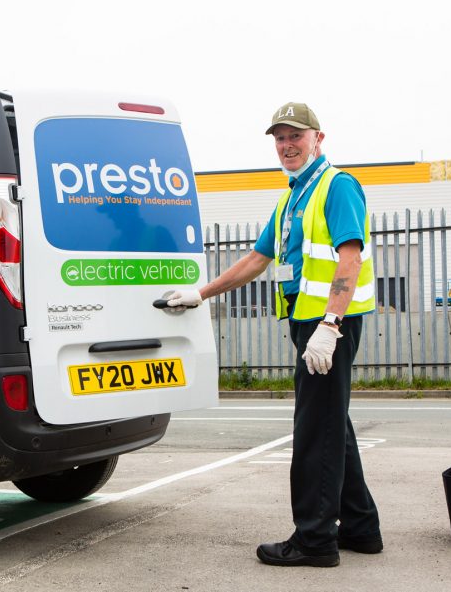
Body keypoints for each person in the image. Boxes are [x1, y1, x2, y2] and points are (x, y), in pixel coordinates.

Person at [167, 102, 381, 567]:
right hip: (308, 322)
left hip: (329, 325)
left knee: (314, 434)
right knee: (332, 425)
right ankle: (361, 527)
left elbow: (350, 258)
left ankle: (315, 540)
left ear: (318, 138)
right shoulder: (292, 197)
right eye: (280, 138)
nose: (287, 145)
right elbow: (258, 259)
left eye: (295, 136)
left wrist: (330, 325)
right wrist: (200, 295)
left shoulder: (337, 186)